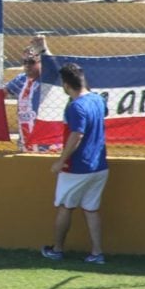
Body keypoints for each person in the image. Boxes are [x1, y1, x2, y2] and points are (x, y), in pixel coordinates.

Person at [41, 62, 109, 264]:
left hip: (77, 167)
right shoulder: (97, 99)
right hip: (99, 166)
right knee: (91, 209)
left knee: (65, 206)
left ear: (65, 84)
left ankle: (57, 249)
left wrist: (60, 161)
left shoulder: (75, 106)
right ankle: (97, 253)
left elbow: (77, 135)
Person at [4, 35, 61, 152]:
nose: (27, 65)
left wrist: (44, 49)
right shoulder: (21, 79)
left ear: (41, 62)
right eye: (24, 62)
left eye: (31, 62)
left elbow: (56, 70)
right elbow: (1, 93)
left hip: (47, 145)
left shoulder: (48, 79)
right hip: (25, 142)